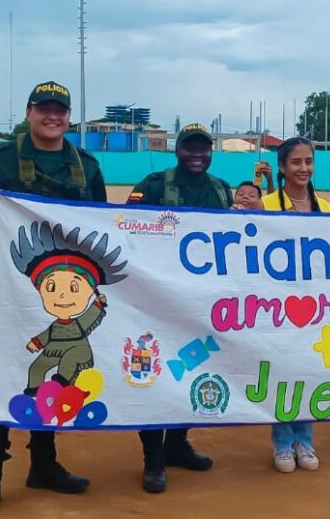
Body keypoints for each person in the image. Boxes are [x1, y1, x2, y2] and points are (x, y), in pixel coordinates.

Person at [0, 81, 106, 519]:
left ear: (68, 116)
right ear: (29, 112)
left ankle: (43, 463)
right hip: (7, 289)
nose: (51, 116)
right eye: (44, 109)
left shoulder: (86, 166)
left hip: (67, 293)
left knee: (54, 370)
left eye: (59, 110)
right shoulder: (0, 159)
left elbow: (99, 228)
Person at [126, 122, 232, 493]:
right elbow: (127, 227)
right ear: (178, 150)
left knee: (193, 366)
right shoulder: (154, 185)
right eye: (190, 148)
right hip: (156, 300)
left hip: (202, 302)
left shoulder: (221, 189)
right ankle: (153, 457)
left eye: (203, 148)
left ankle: (177, 443)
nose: (197, 154)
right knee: (154, 372)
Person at [260, 136, 330, 473]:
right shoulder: (266, 205)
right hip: (275, 305)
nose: (303, 169)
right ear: (283, 167)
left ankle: (306, 440)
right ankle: (283, 444)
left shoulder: (326, 208)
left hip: (316, 304)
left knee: (308, 370)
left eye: (308, 162)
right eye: (296, 163)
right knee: (281, 372)